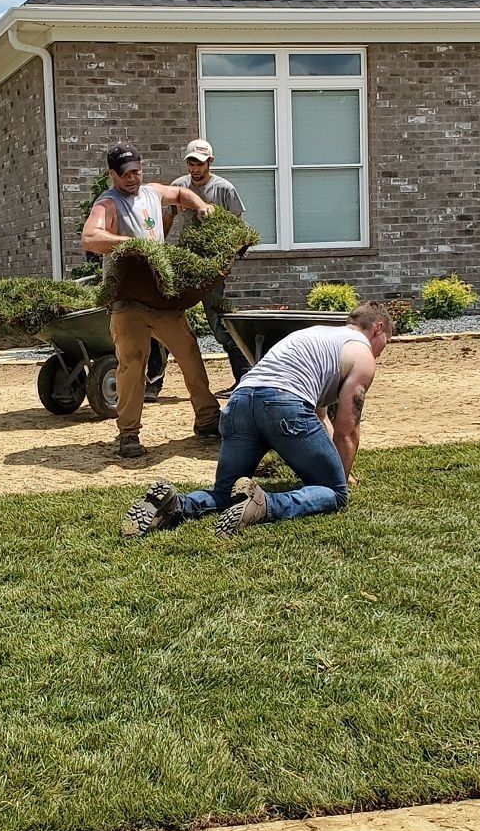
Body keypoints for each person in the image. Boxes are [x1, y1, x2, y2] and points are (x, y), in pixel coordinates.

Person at [121, 302, 393, 537]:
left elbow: (321, 418)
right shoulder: (362, 354)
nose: (382, 350)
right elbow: (347, 430)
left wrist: (333, 464)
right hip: (283, 404)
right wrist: (339, 480)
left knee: (223, 493)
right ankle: (265, 504)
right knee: (333, 493)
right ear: (378, 328)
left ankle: (176, 504)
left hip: (240, 402)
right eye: (386, 343)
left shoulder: (316, 336)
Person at [82, 141, 222, 460]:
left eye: (137, 170)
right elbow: (91, 238)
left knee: (189, 353)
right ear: (112, 174)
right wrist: (131, 245)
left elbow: (181, 194)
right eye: (125, 173)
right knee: (132, 362)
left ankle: (207, 419)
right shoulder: (108, 203)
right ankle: (128, 434)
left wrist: (200, 205)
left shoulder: (152, 192)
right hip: (128, 298)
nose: (133, 178)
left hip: (161, 295)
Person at [169, 139, 252, 384]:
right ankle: (154, 383)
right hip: (186, 260)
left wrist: (226, 260)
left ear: (210, 163)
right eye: (191, 163)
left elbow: (238, 228)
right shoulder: (178, 187)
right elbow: (167, 218)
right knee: (164, 316)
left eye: (200, 163)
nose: (195, 168)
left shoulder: (224, 189)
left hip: (212, 265)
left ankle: (244, 377)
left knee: (218, 324)